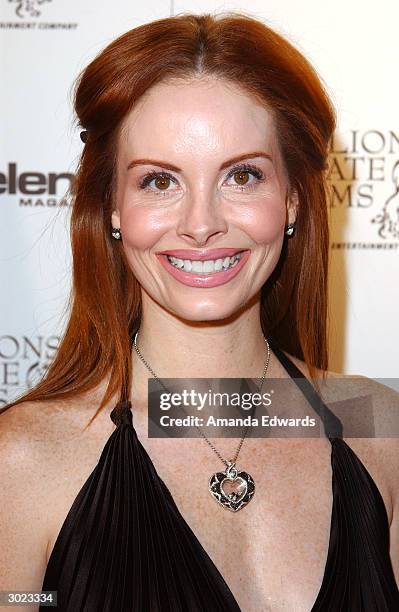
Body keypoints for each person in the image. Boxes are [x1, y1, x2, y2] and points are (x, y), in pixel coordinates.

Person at [1, 11, 398, 612]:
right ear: (111, 205)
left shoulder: (379, 427)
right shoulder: (25, 462)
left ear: (291, 199)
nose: (202, 224)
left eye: (242, 175)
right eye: (160, 182)